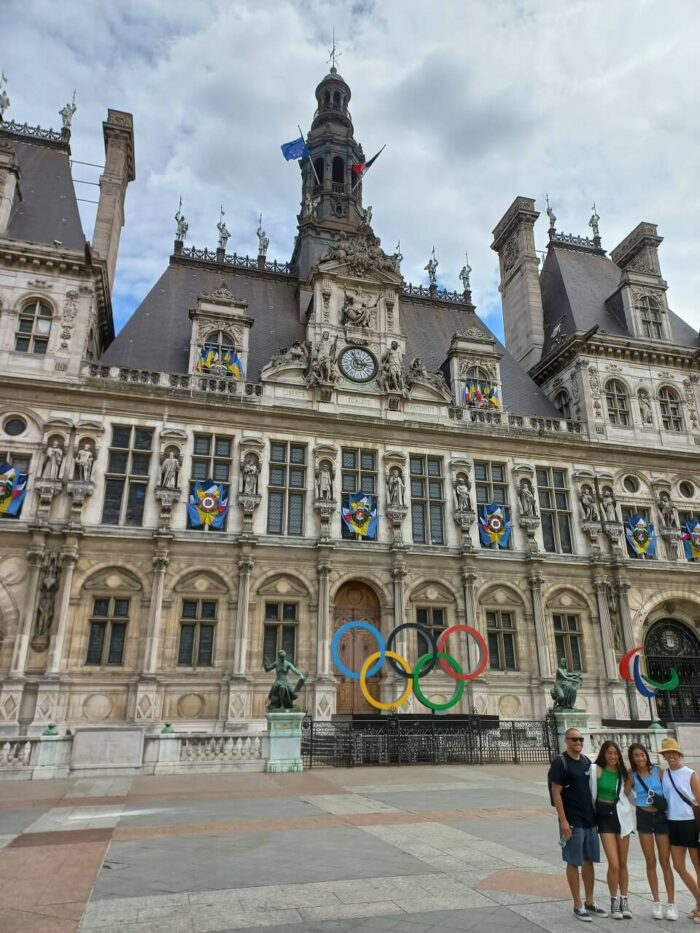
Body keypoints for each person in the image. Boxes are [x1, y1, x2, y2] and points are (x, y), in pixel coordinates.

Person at [549, 728, 608, 922]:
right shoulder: (561, 762)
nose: (578, 742)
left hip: (589, 819)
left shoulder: (586, 761)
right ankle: (577, 904)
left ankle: (590, 901)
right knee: (574, 861)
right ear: (566, 741)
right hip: (572, 820)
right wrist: (563, 821)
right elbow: (556, 792)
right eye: (574, 739)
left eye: (581, 739)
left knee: (590, 860)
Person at [626, 742, 676, 921]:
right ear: (632, 759)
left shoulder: (658, 771)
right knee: (650, 861)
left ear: (646, 755)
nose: (640, 758)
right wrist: (637, 804)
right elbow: (625, 794)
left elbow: (669, 792)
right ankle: (656, 901)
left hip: (661, 817)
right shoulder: (631, 777)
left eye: (642, 755)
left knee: (665, 861)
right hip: (644, 818)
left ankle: (671, 903)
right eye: (636, 756)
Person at [591, 740, 634, 919]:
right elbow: (588, 792)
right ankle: (614, 899)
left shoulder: (623, 774)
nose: (613, 756)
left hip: (621, 817)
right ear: (604, 754)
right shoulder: (596, 770)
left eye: (615, 753)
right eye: (609, 753)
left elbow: (629, 796)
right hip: (604, 818)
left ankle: (624, 899)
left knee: (623, 862)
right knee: (614, 863)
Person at [660, 737, 700, 922]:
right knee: (678, 865)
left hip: (690, 822)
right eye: (667, 753)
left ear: (679, 754)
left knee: (698, 865)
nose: (670, 756)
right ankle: (699, 901)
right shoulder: (664, 774)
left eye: (673, 752)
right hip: (672, 822)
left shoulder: (689, 773)